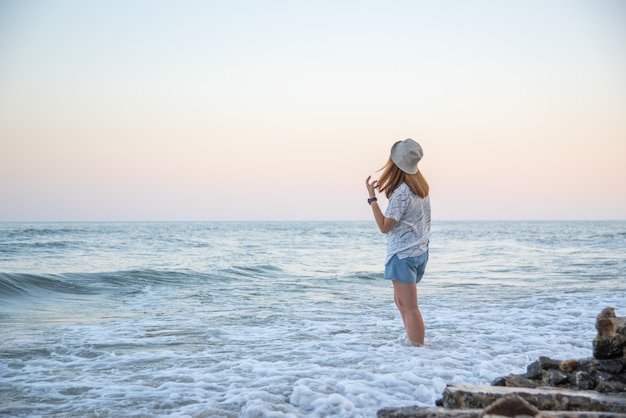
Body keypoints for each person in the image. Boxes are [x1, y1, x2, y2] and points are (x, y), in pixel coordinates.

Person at [365, 138, 431, 346]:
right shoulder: (421, 187)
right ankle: (412, 348)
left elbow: (385, 226)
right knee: (403, 304)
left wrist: (372, 199)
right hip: (418, 251)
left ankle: (418, 351)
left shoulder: (402, 192)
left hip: (403, 254)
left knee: (409, 307)